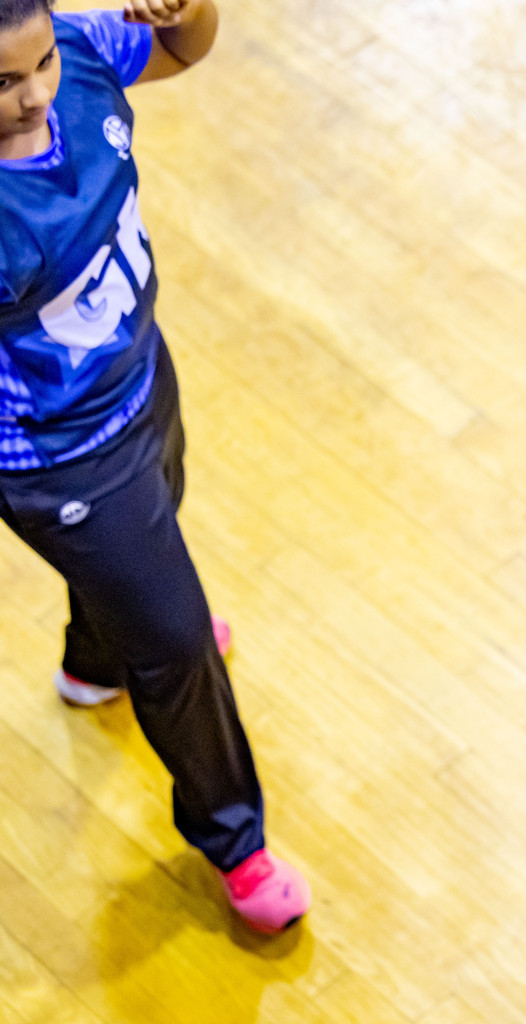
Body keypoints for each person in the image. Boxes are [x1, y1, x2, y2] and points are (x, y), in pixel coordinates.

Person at [0, 0, 308, 933]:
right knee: (178, 649)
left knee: (161, 518)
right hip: (62, 461)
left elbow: (180, 47)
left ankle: (95, 663)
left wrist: (194, 7)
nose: (32, 97)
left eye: (39, 63)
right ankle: (236, 843)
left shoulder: (84, 53)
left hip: (140, 374)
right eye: (1, 84)